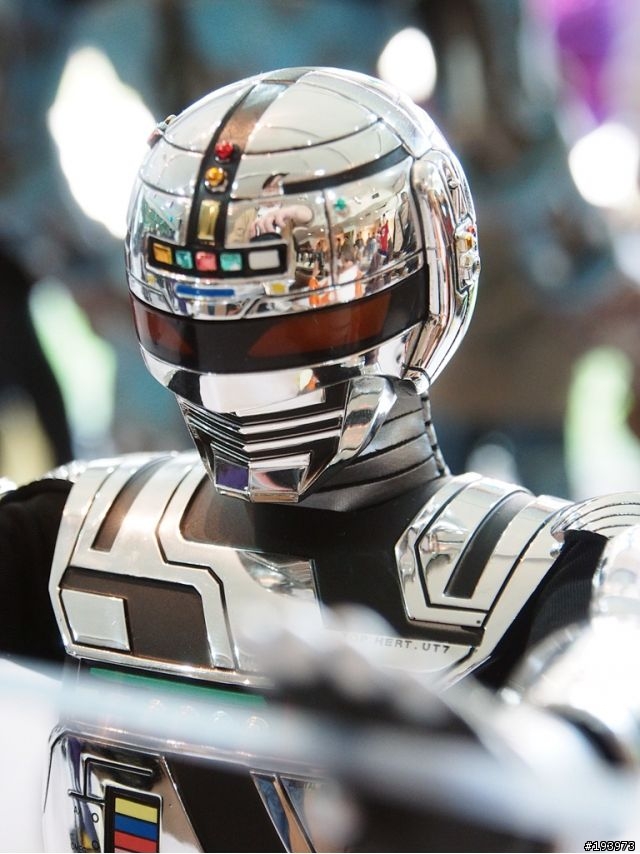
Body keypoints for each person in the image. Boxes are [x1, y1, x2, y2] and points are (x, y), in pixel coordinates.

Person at [1, 66, 639, 852]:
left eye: (292, 330)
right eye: (187, 330)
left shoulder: (569, 563)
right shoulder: (70, 533)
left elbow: (616, 686)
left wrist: (524, 776)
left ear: (428, 284)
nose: (230, 385)